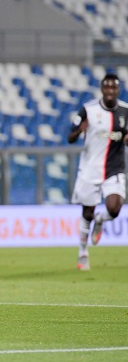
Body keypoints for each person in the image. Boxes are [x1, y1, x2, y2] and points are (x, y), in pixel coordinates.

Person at [68, 72, 128, 271]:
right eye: (107, 87)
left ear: (118, 90)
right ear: (102, 89)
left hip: (114, 168)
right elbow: (70, 137)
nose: (110, 91)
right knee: (87, 212)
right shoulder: (88, 109)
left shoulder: (125, 111)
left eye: (114, 87)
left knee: (114, 208)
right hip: (90, 169)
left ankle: (101, 220)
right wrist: (79, 131)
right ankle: (82, 252)